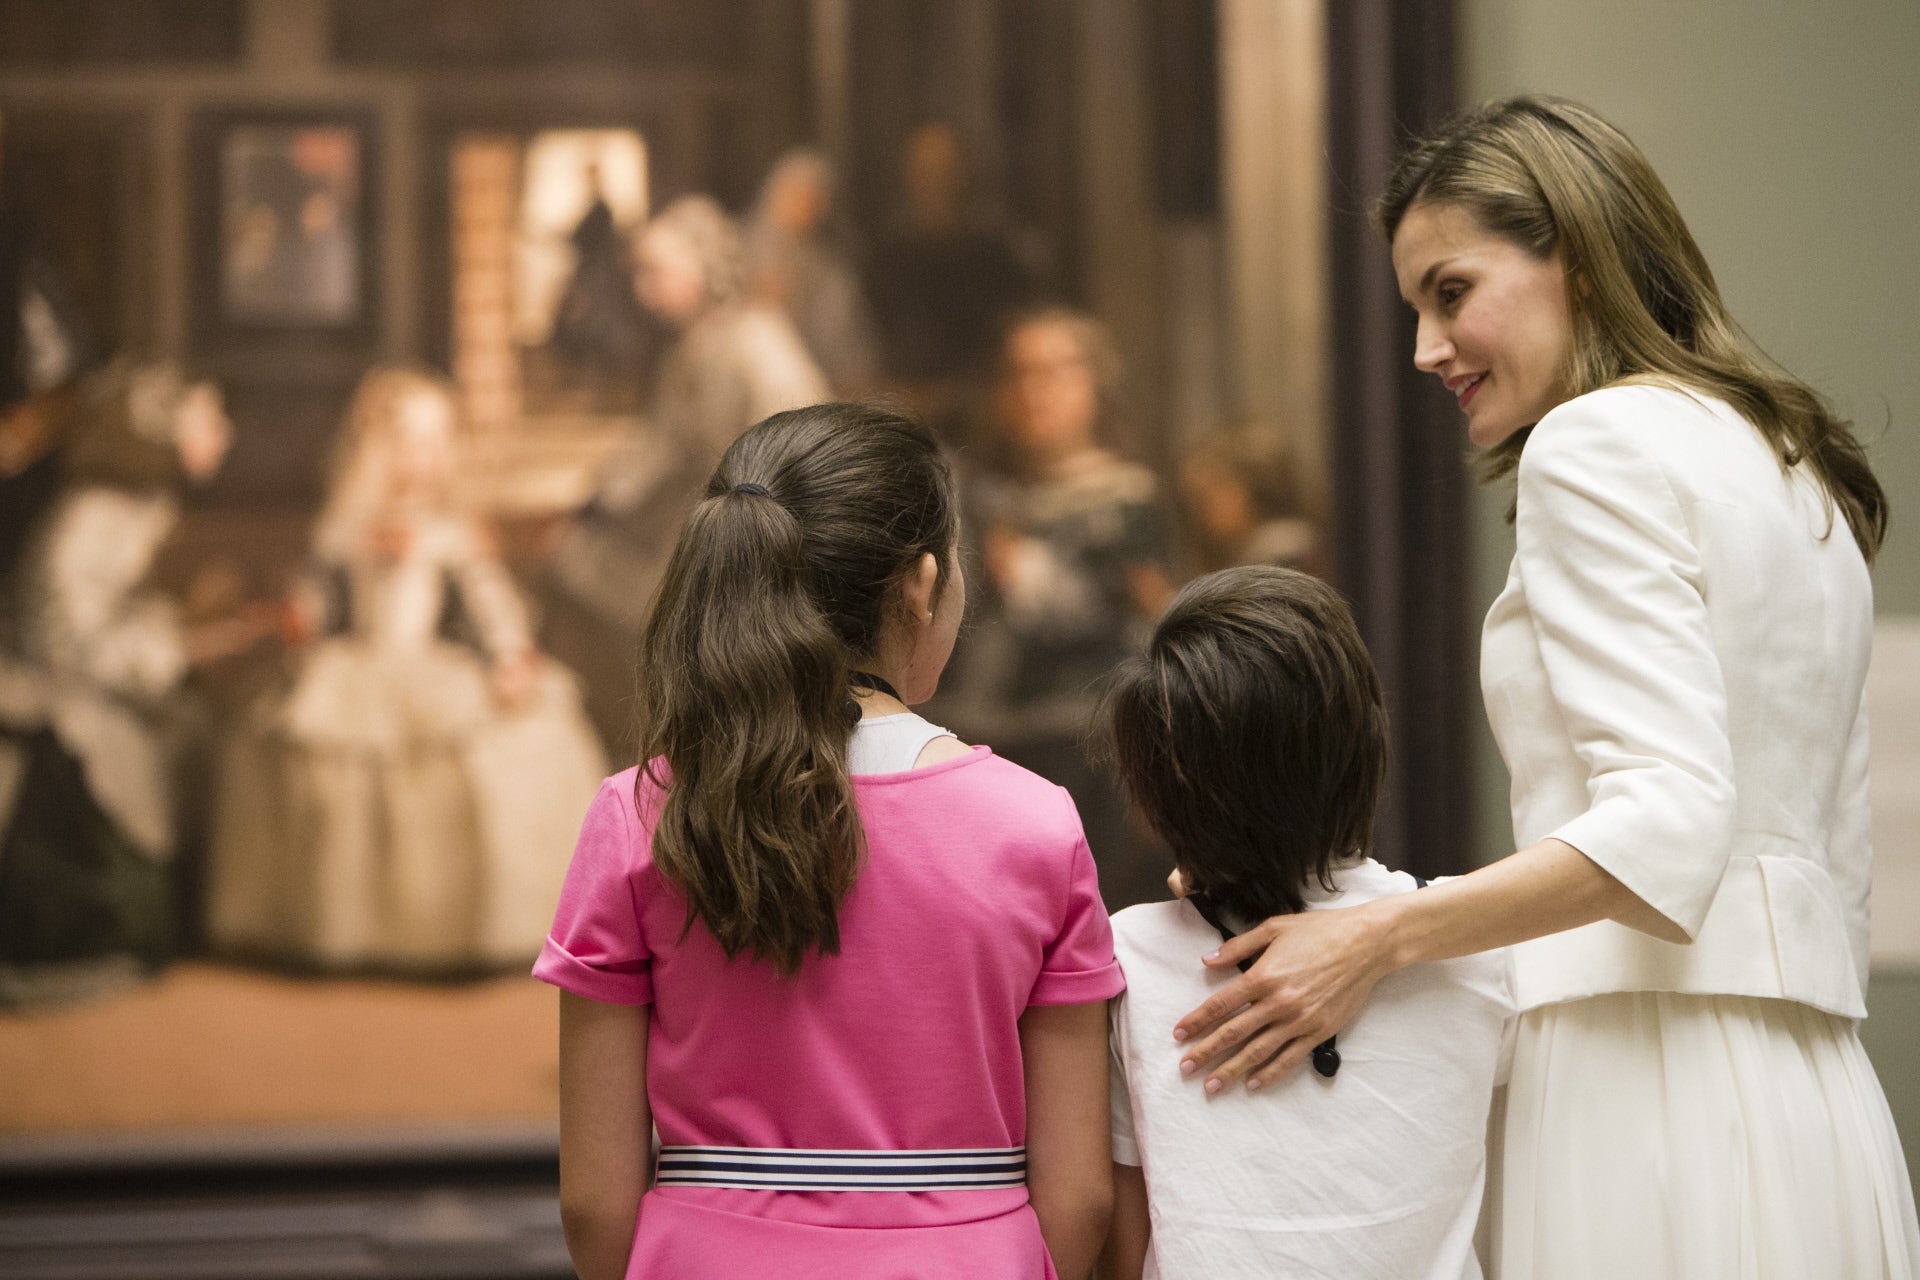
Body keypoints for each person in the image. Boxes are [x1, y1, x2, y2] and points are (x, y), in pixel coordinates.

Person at [1165, 96, 1920, 1277]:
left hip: (1646, 1096)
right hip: (1815, 1101)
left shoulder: (1593, 444)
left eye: (1451, 291)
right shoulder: (1790, 465)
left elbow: (1667, 826)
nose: (1427, 349)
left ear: (1573, 253)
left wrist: (1373, 935)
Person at [536, 404, 1118, 1279]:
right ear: (923, 583)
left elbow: (594, 1200)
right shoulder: (1035, 823)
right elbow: (1079, 1199)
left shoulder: (638, 812)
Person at [1096, 566, 1513, 1279]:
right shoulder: (1476, 949)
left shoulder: (1125, 960)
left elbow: (1125, 1238)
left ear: (1161, 791)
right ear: (1365, 744)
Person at [207, 366, 606, 972]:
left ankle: (448, 922)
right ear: (377, 449)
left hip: (434, 669)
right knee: (323, 759)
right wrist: (298, 619)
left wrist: (510, 657)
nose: (429, 457)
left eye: (439, 441)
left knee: (484, 753)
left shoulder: (453, 534)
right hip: (360, 666)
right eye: (413, 442)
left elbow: (490, 604)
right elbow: (319, 594)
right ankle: (356, 924)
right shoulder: (345, 530)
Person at [0, 361, 264, 1005]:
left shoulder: (140, 505)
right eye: (208, 418)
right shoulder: (94, 513)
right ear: (156, 430)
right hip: (53, 698)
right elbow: (65, 643)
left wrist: (190, 625)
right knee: (125, 768)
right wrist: (179, 647)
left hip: (105, 680)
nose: (223, 432)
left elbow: (119, 612)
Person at [546, 195, 827, 749]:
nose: (645, 291)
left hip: (758, 538)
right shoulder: (694, 348)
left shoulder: (755, 341)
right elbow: (657, 450)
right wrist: (596, 502)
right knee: (573, 562)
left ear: (703, 266)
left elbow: (799, 446)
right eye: (640, 275)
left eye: (657, 273)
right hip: (699, 519)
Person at [963, 306, 1173, 910]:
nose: (1035, 391)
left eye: (1055, 372)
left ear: (1094, 384)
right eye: (1019, 374)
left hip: (1089, 738)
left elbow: (1136, 620)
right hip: (992, 735)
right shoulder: (982, 494)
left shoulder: (1125, 498)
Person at [744, 148, 879, 396]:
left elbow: (849, 355)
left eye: (813, 199)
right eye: (796, 195)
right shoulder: (743, 254)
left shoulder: (829, 272)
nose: (805, 206)